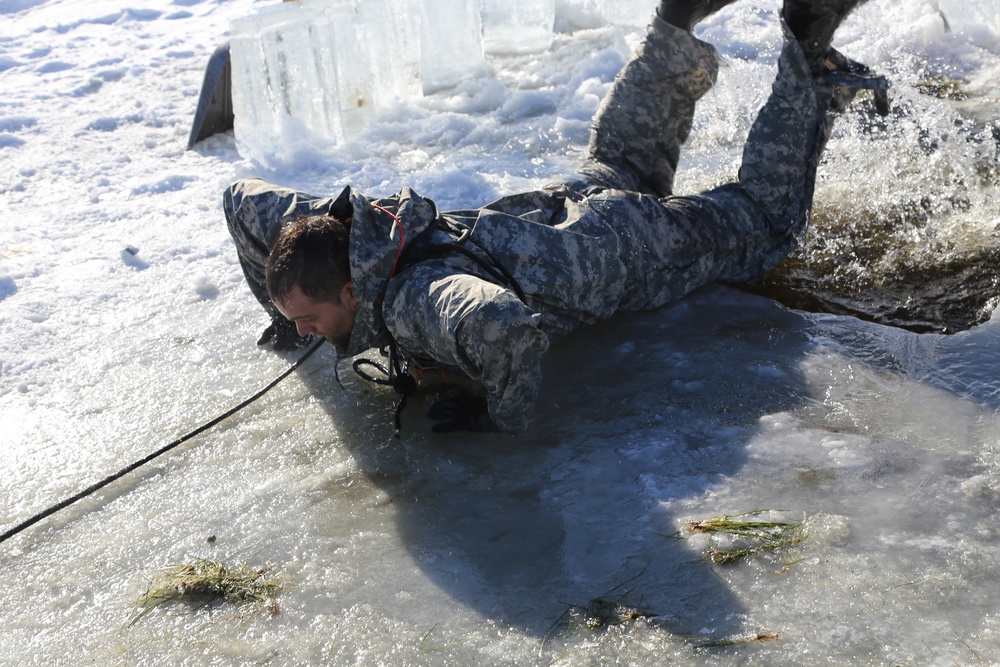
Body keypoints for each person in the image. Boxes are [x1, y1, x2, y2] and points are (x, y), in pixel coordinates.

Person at [224, 0, 888, 434]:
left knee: (764, 218)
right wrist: (279, 306)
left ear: (350, 290)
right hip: (559, 203)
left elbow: (506, 327)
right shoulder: (343, 229)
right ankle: (674, 24)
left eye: (309, 318)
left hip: (622, 252)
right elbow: (240, 199)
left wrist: (494, 412)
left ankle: (809, 54)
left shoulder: (412, 301)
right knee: (623, 160)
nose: (303, 329)